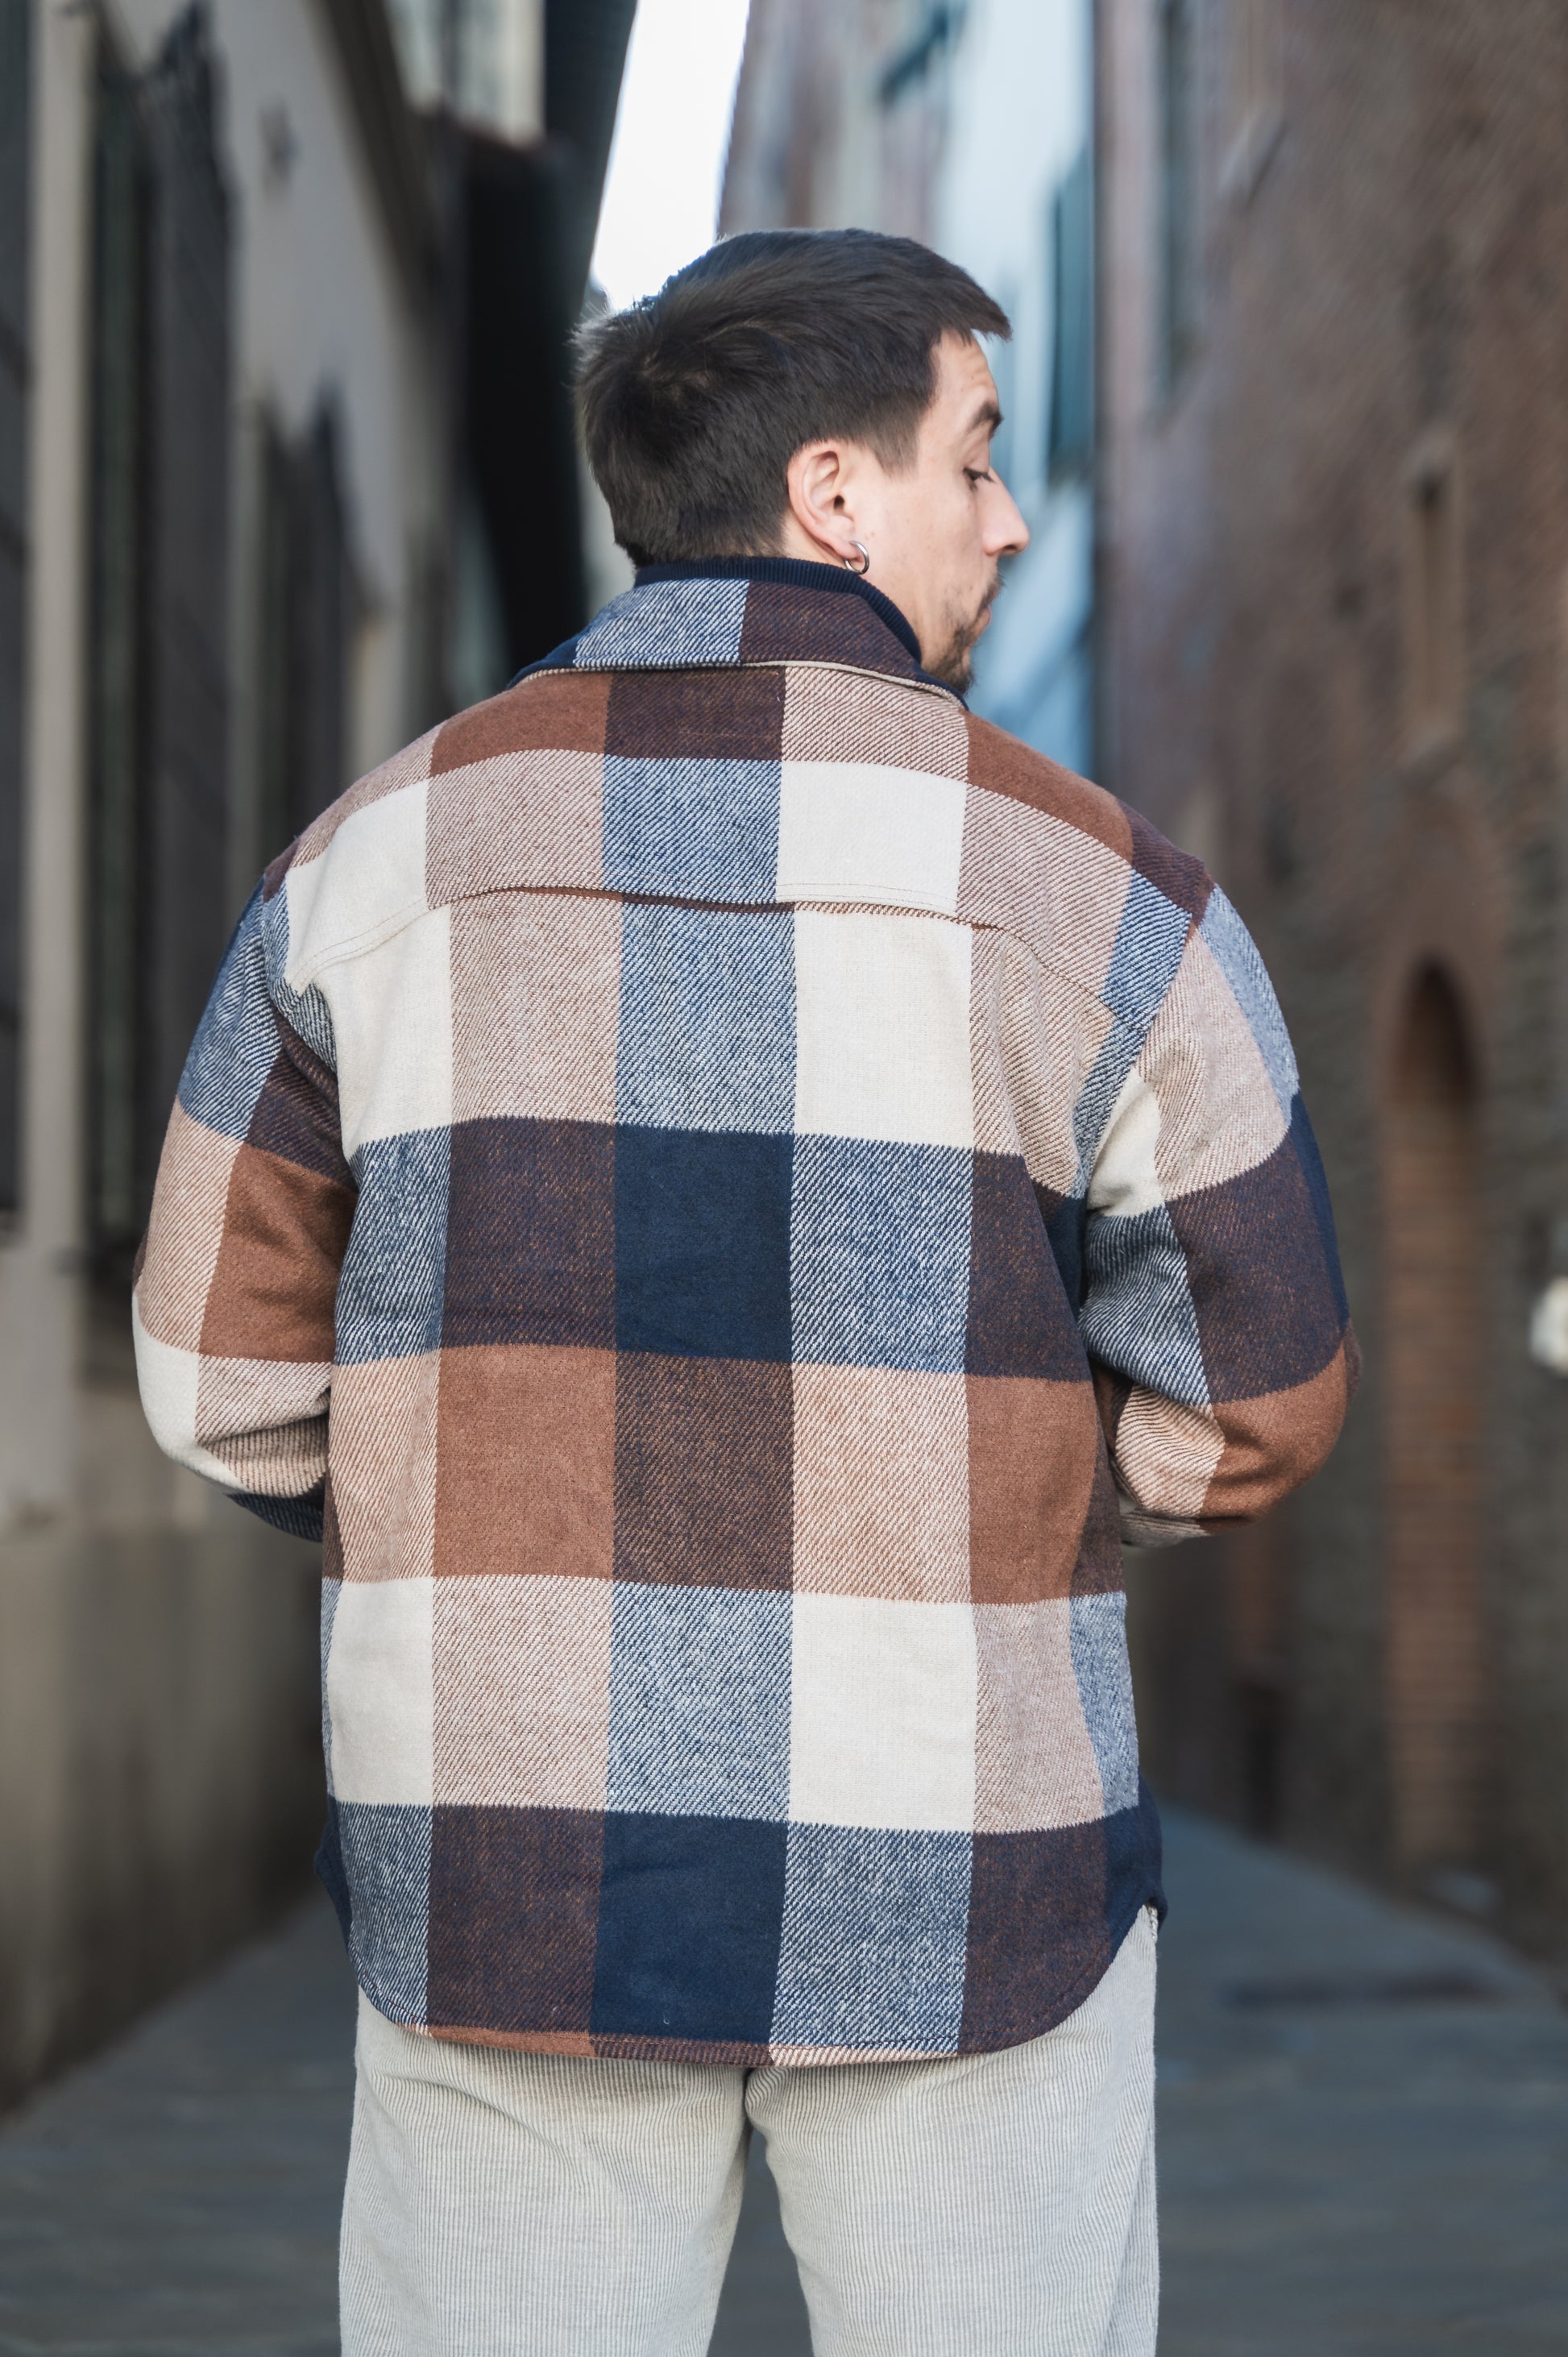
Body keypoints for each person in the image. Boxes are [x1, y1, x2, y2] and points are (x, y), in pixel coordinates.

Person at [133, 228, 1356, 2356]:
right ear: (832, 493)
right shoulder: (1101, 890)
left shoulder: (362, 869)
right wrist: (981, 1507)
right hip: (964, 1854)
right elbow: (1256, 1396)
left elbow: (214, 1378)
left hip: (506, 1847)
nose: (1008, 516)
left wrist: (472, 1496)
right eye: (976, 452)